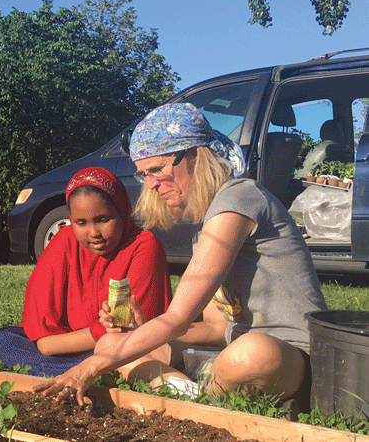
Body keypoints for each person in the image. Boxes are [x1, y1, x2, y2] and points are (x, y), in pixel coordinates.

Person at [36, 103, 327, 409]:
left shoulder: (240, 197)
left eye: (158, 170)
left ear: (194, 156)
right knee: (110, 343)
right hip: (230, 351)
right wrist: (144, 327)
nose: (151, 184)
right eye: (144, 174)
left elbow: (178, 318)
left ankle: (195, 398)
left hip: (290, 356)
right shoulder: (205, 225)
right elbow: (216, 329)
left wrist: (88, 368)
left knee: (249, 354)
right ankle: (199, 400)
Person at [0, 167, 172, 377]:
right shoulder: (64, 240)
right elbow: (41, 333)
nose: (93, 233)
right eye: (81, 223)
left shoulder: (143, 246)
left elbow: (127, 332)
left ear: (124, 212)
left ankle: (90, 371)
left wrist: (54, 343)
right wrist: (60, 341)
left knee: (118, 353)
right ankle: (94, 372)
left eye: (103, 219)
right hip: (69, 346)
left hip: (114, 349)